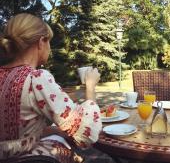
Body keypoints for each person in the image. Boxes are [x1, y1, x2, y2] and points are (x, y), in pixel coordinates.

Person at [0, 13, 102, 163]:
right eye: (49, 42)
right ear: (41, 42)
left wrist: (52, 130)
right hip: (29, 158)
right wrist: (90, 87)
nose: (50, 48)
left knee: (58, 135)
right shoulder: (36, 78)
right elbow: (85, 133)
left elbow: (18, 132)